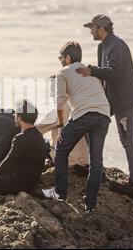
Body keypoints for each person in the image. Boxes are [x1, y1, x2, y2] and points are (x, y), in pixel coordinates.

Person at [77, 15, 133, 198]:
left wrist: (92, 70)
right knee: (89, 126)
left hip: (124, 102)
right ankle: (98, 171)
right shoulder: (102, 46)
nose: (90, 31)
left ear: (101, 28)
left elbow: (114, 73)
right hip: (110, 100)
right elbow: (104, 76)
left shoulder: (117, 46)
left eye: (92, 28)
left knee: (127, 141)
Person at [42, 41, 111, 212]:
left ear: (67, 57)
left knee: (60, 150)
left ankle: (59, 192)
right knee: (96, 160)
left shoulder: (63, 73)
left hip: (84, 114)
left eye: (61, 57)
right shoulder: (90, 72)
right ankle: (90, 203)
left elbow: (60, 101)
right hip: (103, 114)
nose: (60, 61)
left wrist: (60, 125)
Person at [36, 74, 90, 170]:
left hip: (69, 161)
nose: (51, 94)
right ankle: (50, 160)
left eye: (52, 90)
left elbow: (36, 130)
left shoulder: (58, 110)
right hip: (84, 161)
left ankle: (46, 164)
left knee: (35, 139)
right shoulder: (77, 106)